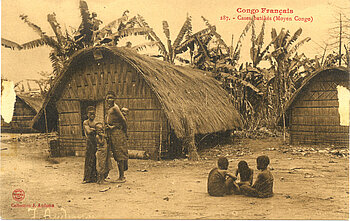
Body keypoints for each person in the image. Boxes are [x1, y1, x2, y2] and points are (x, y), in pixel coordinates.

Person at [105, 91, 128, 183]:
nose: (109, 99)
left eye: (111, 97)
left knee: (119, 154)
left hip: (117, 133)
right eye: (108, 98)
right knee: (111, 153)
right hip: (111, 133)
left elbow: (123, 120)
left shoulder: (115, 108)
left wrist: (123, 131)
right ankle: (105, 175)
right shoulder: (109, 108)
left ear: (115, 98)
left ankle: (122, 177)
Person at [82, 106, 98, 183]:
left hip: (95, 142)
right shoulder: (86, 122)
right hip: (89, 142)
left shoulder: (95, 123)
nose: (92, 115)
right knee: (88, 159)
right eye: (90, 114)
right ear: (87, 114)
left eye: (93, 114)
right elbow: (88, 131)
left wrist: (93, 129)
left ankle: (94, 177)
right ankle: (87, 178)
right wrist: (95, 129)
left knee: (95, 159)